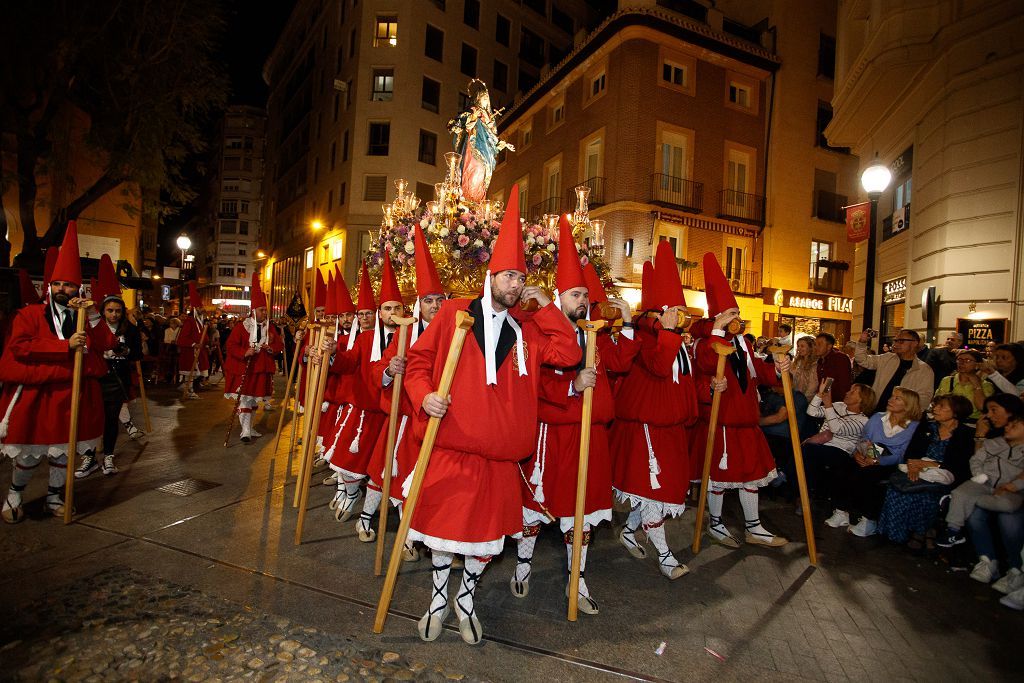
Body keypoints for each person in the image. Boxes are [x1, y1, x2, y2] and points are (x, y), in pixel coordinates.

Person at [401, 186, 579, 644]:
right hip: (452, 448)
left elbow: (571, 353)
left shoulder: (530, 328)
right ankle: (439, 600)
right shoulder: (454, 314)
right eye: (509, 277)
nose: (515, 285)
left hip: (502, 459)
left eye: (522, 278)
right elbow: (419, 364)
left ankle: (466, 602)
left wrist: (549, 306)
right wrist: (424, 398)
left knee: (484, 544)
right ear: (491, 274)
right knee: (443, 537)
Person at [511, 221, 640, 614]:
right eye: (575, 294)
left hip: (592, 436)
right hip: (556, 435)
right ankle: (523, 564)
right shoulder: (538, 329)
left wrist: (630, 320)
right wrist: (571, 388)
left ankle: (577, 579)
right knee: (539, 505)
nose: (583, 300)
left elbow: (620, 363)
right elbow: (532, 383)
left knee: (581, 515)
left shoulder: (594, 333)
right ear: (559, 297)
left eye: (585, 294)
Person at [0, 222, 116, 522]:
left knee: (63, 453)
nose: (63, 290)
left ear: (79, 288)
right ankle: (14, 494)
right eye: (57, 285)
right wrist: (64, 347)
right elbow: (19, 347)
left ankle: (55, 497)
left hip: (73, 395)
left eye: (69, 285)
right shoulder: (28, 314)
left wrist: (92, 314)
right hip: (38, 396)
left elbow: (107, 343)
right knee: (28, 453)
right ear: (49, 287)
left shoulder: (85, 316)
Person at [355, 224, 447, 558]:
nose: (435, 306)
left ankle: (408, 537)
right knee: (385, 472)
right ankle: (366, 518)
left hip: (435, 419)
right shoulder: (405, 333)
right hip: (405, 418)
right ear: (419, 304)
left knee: (419, 480)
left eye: (440, 300)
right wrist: (390, 371)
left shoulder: (454, 334)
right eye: (430, 301)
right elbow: (379, 369)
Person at [689, 252, 791, 549]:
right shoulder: (705, 342)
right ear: (718, 317)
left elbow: (761, 374)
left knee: (751, 475)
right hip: (721, 420)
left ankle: (754, 526)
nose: (737, 319)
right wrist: (718, 330)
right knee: (719, 477)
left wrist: (777, 368)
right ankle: (716, 523)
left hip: (746, 420)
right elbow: (707, 364)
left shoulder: (744, 343)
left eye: (736, 313)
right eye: (730, 314)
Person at [610, 241, 697, 575]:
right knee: (652, 488)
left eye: (679, 311)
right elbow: (660, 367)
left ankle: (630, 530)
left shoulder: (676, 339)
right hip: (645, 425)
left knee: (658, 490)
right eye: (670, 311)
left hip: (672, 427)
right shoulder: (644, 338)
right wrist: (671, 334)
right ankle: (664, 555)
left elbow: (682, 381)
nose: (678, 317)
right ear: (654, 313)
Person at [326, 260, 400, 521]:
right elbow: (348, 363)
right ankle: (350, 492)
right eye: (387, 308)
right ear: (381, 313)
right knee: (349, 459)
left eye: (397, 308)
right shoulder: (366, 338)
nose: (392, 313)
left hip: (393, 413)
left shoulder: (410, 337)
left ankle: (371, 511)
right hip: (364, 409)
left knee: (382, 465)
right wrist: (334, 355)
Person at [822, 387, 923, 537]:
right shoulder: (878, 417)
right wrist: (858, 454)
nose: (890, 400)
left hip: (890, 462)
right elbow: (864, 439)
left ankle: (869, 520)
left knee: (870, 475)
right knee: (844, 467)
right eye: (892, 396)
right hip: (869, 453)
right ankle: (841, 511)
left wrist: (877, 461)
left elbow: (901, 454)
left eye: (897, 398)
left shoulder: (914, 427)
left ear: (908, 405)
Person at [877, 394, 975, 546]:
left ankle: (921, 532)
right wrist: (913, 465)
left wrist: (931, 465)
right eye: (936, 405)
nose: (935, 409)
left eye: (942, 406)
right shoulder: (927, 427)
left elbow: (960, 466)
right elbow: (911, 453)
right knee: (899, 488)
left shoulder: (965, 435)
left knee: (926, 496)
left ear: (956, 412)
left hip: (943, 476)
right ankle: (894, 533)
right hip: (916, 469)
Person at [77, 257, 144, 478]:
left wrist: (124, 352)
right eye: (110, 310)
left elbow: (137, 354)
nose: (113, 314)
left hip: (117, 379)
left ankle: (108, 457)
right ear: (103, 311)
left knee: (111, 419)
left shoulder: (130, 330)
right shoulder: (92, 327)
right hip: (95, 378)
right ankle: (89, 457)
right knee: (88, 418)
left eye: (117, 310)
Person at [938, 413, 1024, 551]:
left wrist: (1014, 485)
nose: (1008, 428)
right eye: (1008, 425)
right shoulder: (995, 443)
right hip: (984, 483)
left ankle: (962, 501)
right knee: (960, 492)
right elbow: (976, 459)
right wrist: (979, 474)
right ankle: (953, 530)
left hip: (1008, 490)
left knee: (1006, 505)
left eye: (1014, 426)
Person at [223, 274, 283, 442]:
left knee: (255, 400)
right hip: (245, 369)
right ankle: (246, 431)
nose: (265, 312)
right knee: (245, 400)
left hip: (262, 370)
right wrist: (245, 352)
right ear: (254, 311)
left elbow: (279, 345)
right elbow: (231, 345)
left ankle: (249, 428)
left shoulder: (270, 327)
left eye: (266, 310)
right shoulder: (241, 327)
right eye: (262, 310)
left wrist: (271, 348)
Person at [448, 79, 515, 203]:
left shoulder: (489, 116)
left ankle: (476, 200)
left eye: (486, 99)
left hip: (486, 151)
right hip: (472, 147)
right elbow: (463, 125)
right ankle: (466, 198)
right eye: (483, 98)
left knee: (481, 172)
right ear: (477, 98)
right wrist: (474, 117)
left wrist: (503, 144)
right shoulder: (471, 111)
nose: (485, 101)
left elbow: (492, 136)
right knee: (473, 169)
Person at [803, 382, 876, 494]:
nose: (847, 393)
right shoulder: (839, 405)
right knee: (804, 449)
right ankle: (798, 489)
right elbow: (812, 412)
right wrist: (819, 394)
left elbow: (836, 429)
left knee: (808, 450)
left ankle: (800, 489)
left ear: (861, 399)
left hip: (840, 451)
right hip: (822, 445)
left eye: (852, 392)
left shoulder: (863, 421)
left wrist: (828, 404)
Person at [854, 329, 934, 410]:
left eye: (901, 341)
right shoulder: (887, 358)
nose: (896, 344)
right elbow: (863, 360)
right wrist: (862, 342)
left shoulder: (924, 370)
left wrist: (903, 412)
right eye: (895, 340)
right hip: (876, 413)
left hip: (900, 418)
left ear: (915, 343)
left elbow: (923, 400)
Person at [933, 349, 994, 422]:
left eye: (967, 360)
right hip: (947, 421)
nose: (962, 363)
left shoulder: (986, 385)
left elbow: (982, 407)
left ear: (977, 365)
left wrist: (977, 385)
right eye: (959, 359)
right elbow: (936, 402)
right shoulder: (947, 380)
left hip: (972, 424)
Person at [177, 282, 211, 398]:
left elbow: (203, 336)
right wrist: (193, 344)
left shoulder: (199, 322)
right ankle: (189, 389)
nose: (203, 309)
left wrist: (205, 342)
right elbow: (182, 339)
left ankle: (186, 386)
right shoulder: (190, 321)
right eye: (201, 307)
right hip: (190, 351)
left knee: (196, 372)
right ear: (196, 309)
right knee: (190, 372)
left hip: (199, 351)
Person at [814, 332, 853, 402]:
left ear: (829, 346)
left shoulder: (840, 358)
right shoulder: (820, 361)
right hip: (823, 400)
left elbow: (844, 384)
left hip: (836, 402)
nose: (816, 347)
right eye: (815, 344)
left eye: (819, 344)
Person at [790, 336, 819, 402]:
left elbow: (812, 387)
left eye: (802, 346)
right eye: (798, 346)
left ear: (810, 348)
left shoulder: (814, 364)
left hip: (806, 399)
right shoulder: (797, 362)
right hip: (795, 396)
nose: (799, 348)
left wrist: (803, 401)